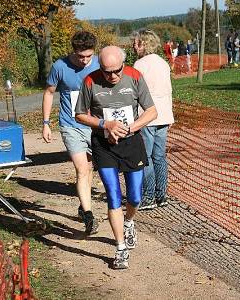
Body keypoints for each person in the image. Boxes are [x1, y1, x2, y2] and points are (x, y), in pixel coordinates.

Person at [75, 46, 157, 269]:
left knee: (135, 196)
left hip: (131, 142)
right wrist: (105, 124)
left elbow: (152, 111)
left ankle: (129, 221)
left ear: (123, 64)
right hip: (104, 144)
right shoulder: (90, 81)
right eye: (106, 71)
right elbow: (80, 114)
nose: (111, 76)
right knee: (113, 195)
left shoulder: (134, 76)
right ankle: (120, 248)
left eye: (116, 71)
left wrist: (129, 129)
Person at [42, 31, 100, 235]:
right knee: (82, 169)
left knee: (92, 168)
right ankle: (89, 215)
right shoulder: (60, 66)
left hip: (95, 125)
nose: (85, 61)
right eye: (81, 56)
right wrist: (46, 123)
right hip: (71, 125)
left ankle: (83, 206)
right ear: (73, 51)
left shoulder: (100, 64)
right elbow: (49, 92)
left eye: (89, 56)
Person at [132, 29, 174, 210]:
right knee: (159, 157)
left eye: (136, 42)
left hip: (147, 116)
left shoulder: (139, 65)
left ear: (143, 44)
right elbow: (169, 90)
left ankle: (148, 196)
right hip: (164, 115)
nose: (134, 45)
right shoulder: (163, 63)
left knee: (146, 157)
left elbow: (135, 92)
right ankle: (161, 195)